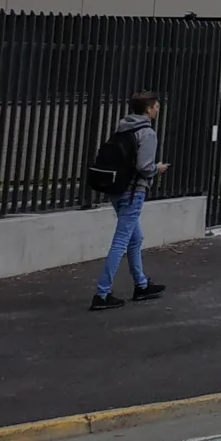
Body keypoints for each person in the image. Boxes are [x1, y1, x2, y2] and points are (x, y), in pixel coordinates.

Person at [92, 92, 168, 311]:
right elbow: (145, 167)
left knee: (136, 237)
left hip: (117, 189)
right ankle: (102, 293)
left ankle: (141, 284)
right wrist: (158, 169)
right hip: (134, 191)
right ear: (148, 110)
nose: (157, 109)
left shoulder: (123, 128)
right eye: (156, 106)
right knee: (122, 240)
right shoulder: (147, 133)